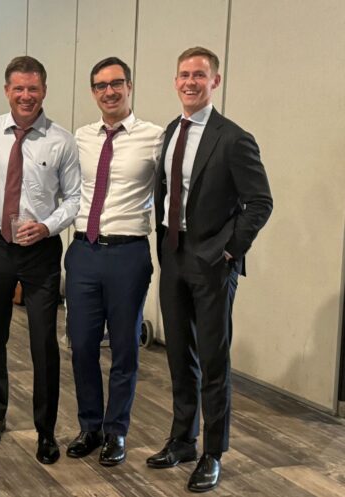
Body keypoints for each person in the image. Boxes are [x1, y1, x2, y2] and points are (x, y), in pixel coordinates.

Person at [146, 47, 272, 492]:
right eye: (184, 75)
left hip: (213, 264)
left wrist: (230, 250)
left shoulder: (233, 138)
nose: (190, 82)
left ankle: (212, 453)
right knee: (179, 355)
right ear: (175, 80)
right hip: (174, 256)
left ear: (214, 81)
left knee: (214, 362)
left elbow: (260, 202)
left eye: (200, 75)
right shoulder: (169, 131)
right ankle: (182, 439)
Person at [0, 55, 80, 465]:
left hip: (41, 254)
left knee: (43, 345)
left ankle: (46, 430)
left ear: (44, 91)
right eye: (18, 88)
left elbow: (73, 198)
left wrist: (49, 226)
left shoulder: (61, 141)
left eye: (33, 88)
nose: (26, 95)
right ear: (6, 91)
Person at [64, 57, 163, 466]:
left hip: (128, 253)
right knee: (82, 344)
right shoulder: (80, 137)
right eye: (101, 85)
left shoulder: (155, 137)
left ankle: (116, 431)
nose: (109, 91)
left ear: (130, 86)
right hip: (84, 251)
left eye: (117, 83)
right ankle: (90, 425)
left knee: (124, 348)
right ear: (93, 92)